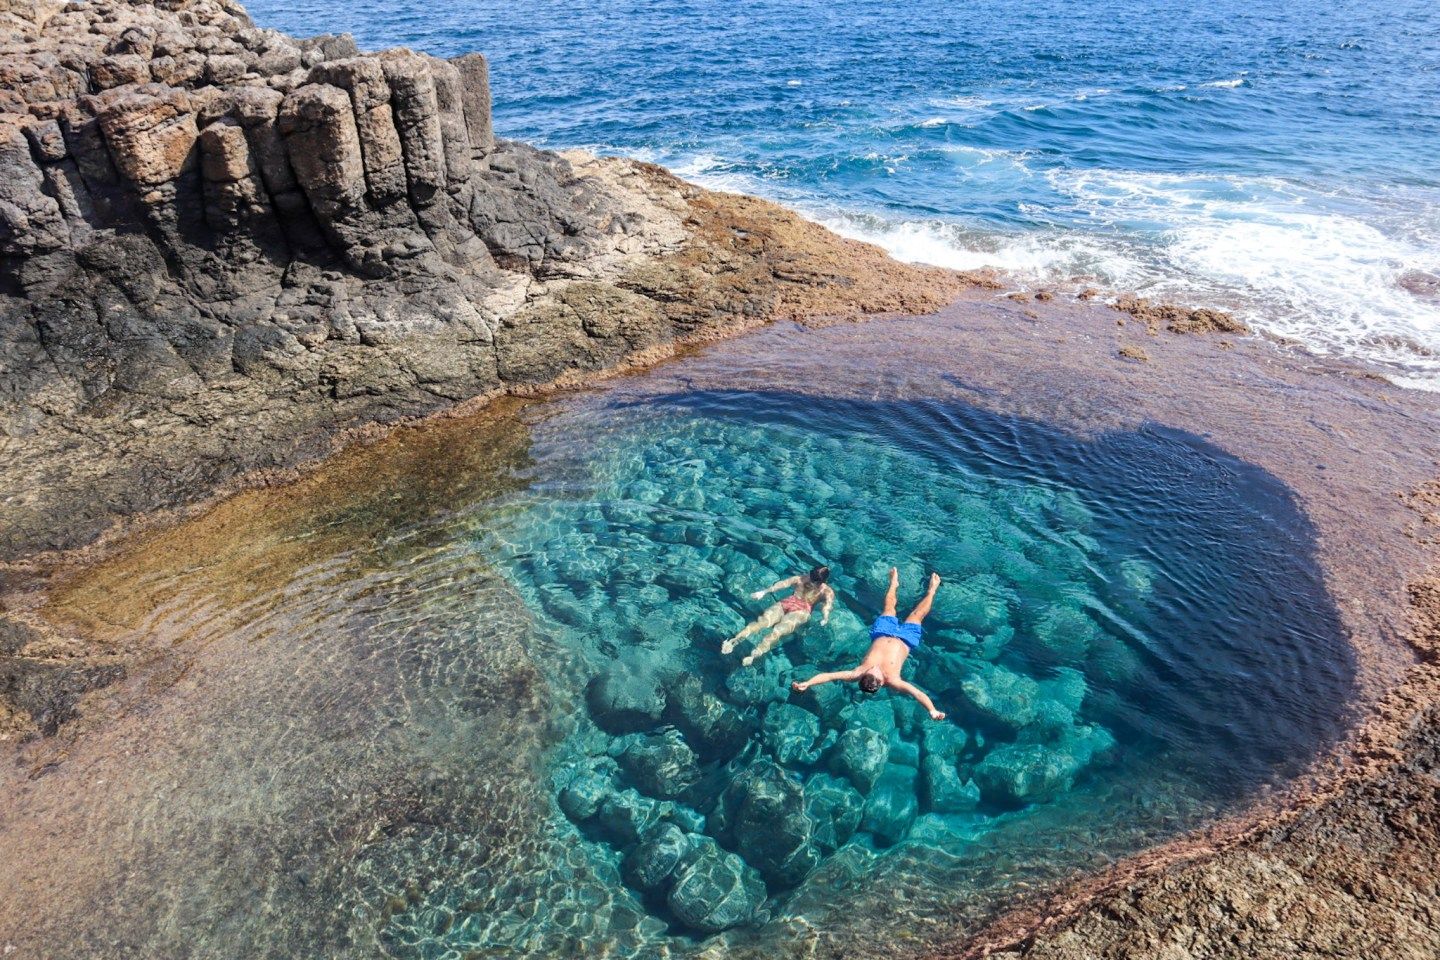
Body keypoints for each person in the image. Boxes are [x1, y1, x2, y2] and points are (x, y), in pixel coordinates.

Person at [791, 567, 946, 720]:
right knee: (917, 614)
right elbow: (917, 693)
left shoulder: (858, 673)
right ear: (881, 681)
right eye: (874, 671)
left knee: (889, 607)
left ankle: (893, 583)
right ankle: (932, 590)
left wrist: (808, 683)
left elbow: (829, 676)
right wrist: (932, 710)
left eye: (869, 671)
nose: (873, 667)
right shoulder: (893, 680)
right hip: (906, 638)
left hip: (882, 632)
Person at [723, 565, 835, 666]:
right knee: (762, 623)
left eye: (816, 580)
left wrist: (825, 617)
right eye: (812, 576)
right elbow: (782, 584)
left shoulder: (826, 591)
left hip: (801, 611)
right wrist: (764, 592)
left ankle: (752, 655)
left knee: (777, 631)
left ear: (824, 580)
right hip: (789, 603)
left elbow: (827, 605)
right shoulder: (801, 579)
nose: (812, 580)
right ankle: (734, 641)